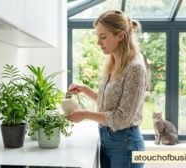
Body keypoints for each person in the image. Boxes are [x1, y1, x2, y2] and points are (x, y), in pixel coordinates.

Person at [66, 10, 148, 168]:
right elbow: (110, 103)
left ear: (120, 36)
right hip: (107, 139)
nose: (98, 42)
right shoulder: (113, 64)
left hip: (126, 144)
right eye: (98, 36)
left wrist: (85, 115)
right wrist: (85, 90)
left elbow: (122, 118)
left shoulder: (135, 68)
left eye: (103, 37)